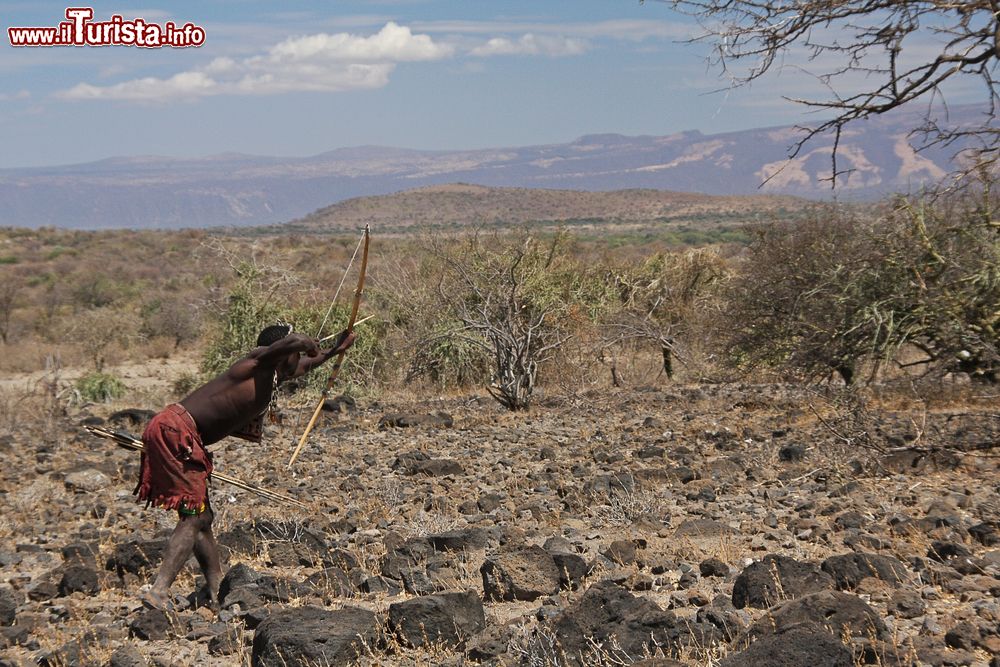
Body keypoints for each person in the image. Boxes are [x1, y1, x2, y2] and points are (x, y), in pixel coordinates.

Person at [135, 323, 355, 610]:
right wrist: (306, 342)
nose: (297, 363)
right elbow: (296, 343)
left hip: (181, 433)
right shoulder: (255, 364)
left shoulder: (273, 375)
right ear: (280, 351)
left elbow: (306, 363)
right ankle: (159, 590)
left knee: (202, 517)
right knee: (193, 517)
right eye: (292, 354)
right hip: (177, 430)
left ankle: (217, 591)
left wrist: (333, 350)